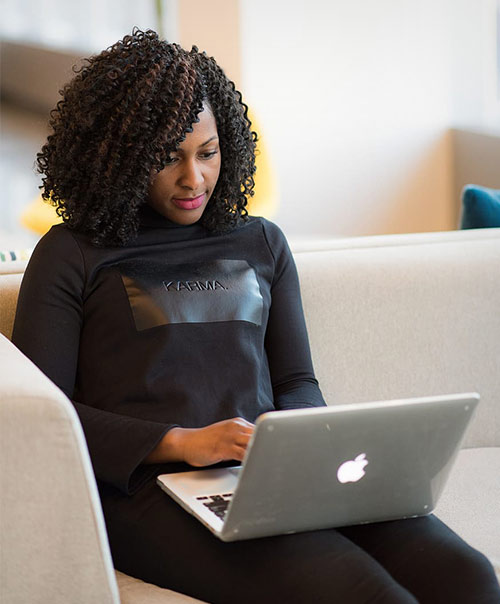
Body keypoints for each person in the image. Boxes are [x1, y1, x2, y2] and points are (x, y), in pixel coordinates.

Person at [12, 28, 500, 604]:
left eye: (208, 152)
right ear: (120, 158)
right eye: (167, 159)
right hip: (148, 490)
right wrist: (184, 443)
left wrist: (308, 446)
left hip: (275, 474)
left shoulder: (262, 243)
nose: (193, 179)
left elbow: (295, 382)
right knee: (363, 592)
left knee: (469, 577)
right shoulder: (73, 254)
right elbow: (46, 421)